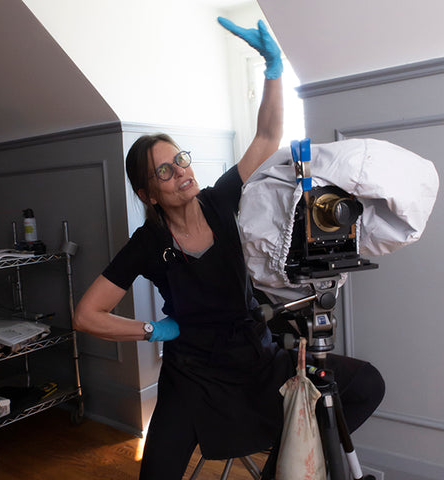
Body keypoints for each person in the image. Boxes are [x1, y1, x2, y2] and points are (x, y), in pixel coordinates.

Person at [73, 17, 385, 480]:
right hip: (192, 376)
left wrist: (273, 71)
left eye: (180, 158)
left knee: (366, 384)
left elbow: (265, 138)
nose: (180, 171)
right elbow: (87, 315)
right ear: (147, 194)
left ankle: (288, 462)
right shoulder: (148, 243)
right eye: (164, 171)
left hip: (255, 361)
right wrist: (151, 330)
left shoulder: (221, 200)